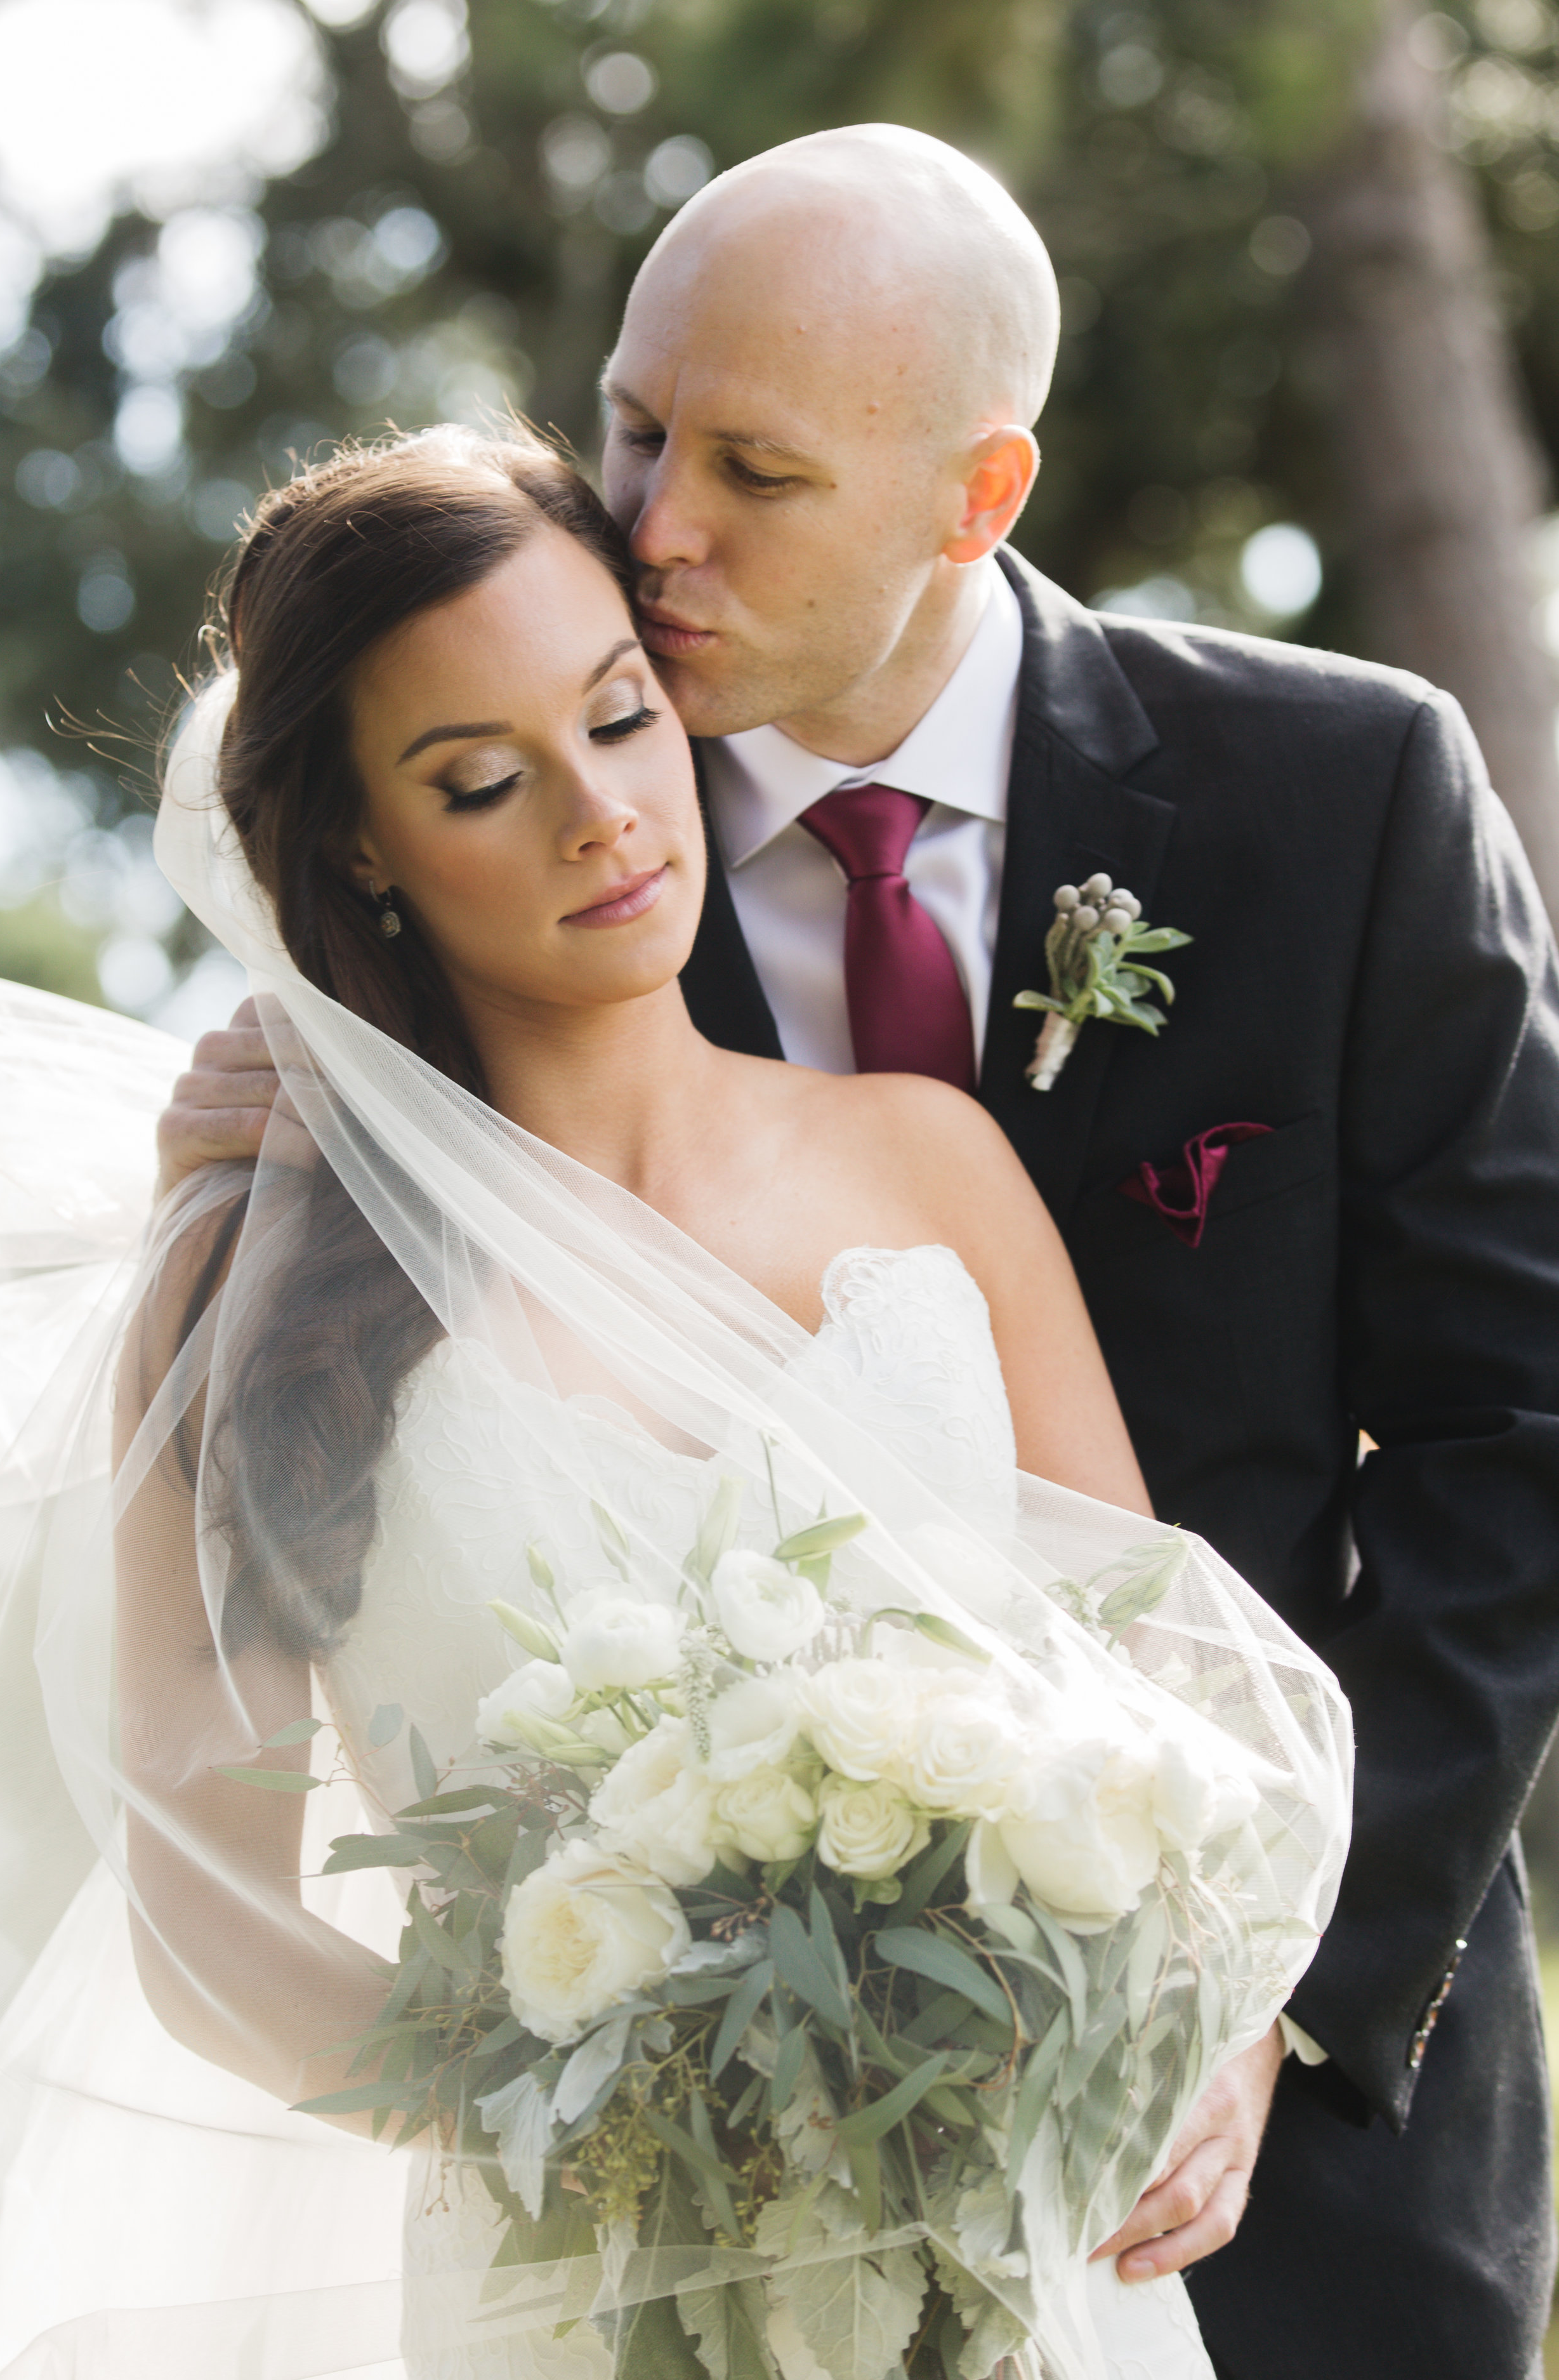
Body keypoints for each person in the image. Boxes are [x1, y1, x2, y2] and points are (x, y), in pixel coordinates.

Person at [162, 126, 1559, 2379]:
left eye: (755, 469)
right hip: (660, 2227)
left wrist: (1261, 1988)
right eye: (630, 425)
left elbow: (1520, 1437)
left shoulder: (1346, 795)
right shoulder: (541, 855)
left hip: (1298, 2122)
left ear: (971, 497)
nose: (654, 525)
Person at [0, 427, 1348, 2380]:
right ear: (358, 841)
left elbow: (1172, 1689)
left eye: (617, 721)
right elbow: (197, 1912)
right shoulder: (269, 1281)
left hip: (1024, 2255)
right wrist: (631, 2122)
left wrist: (1210, 2026)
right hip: (586, 2284)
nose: (599, 818)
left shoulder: (924, 1162)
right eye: (477, 781)